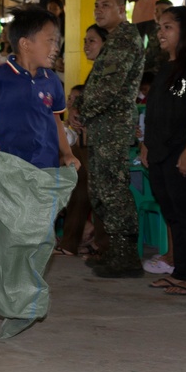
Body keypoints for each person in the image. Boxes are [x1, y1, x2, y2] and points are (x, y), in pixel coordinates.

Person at [71, 0, 145, 278]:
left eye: (105, 5)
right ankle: (114, 250)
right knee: (101, 191)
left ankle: (127, 257)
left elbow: (109, 88)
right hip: (102, 127)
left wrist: (82, 110)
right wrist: (81, 109)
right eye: (96, 5)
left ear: (121, 9)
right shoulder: (114, 40)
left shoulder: (125, 40)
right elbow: (97, 86)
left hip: (113, 128)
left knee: (114, 191)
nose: (98, 10)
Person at [140, 5, 186, 298]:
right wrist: (147, 143)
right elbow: (155, 109)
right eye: (159, 27)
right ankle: (181, 271)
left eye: (168, 27)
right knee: (173, 214)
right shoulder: (166, 67)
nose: (160, 33)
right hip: (161, 152)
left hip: (184, 151)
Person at [0, 7, 79, 172]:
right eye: (50, 41)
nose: (56, 48)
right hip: (7, 169)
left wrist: (67, 153)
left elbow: (55, 120)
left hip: (44, 168)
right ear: (25, 44)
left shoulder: (52, 80)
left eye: (57, 41)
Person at [57, 26, 110, 257]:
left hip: (103, 142)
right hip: (87, 140)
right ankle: (70, 243)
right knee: (80, 188)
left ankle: (103, 245)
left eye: (92, 41)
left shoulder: (111, 72)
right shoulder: (95, 72)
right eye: (85, 41)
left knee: (98, 191)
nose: (86, 45)